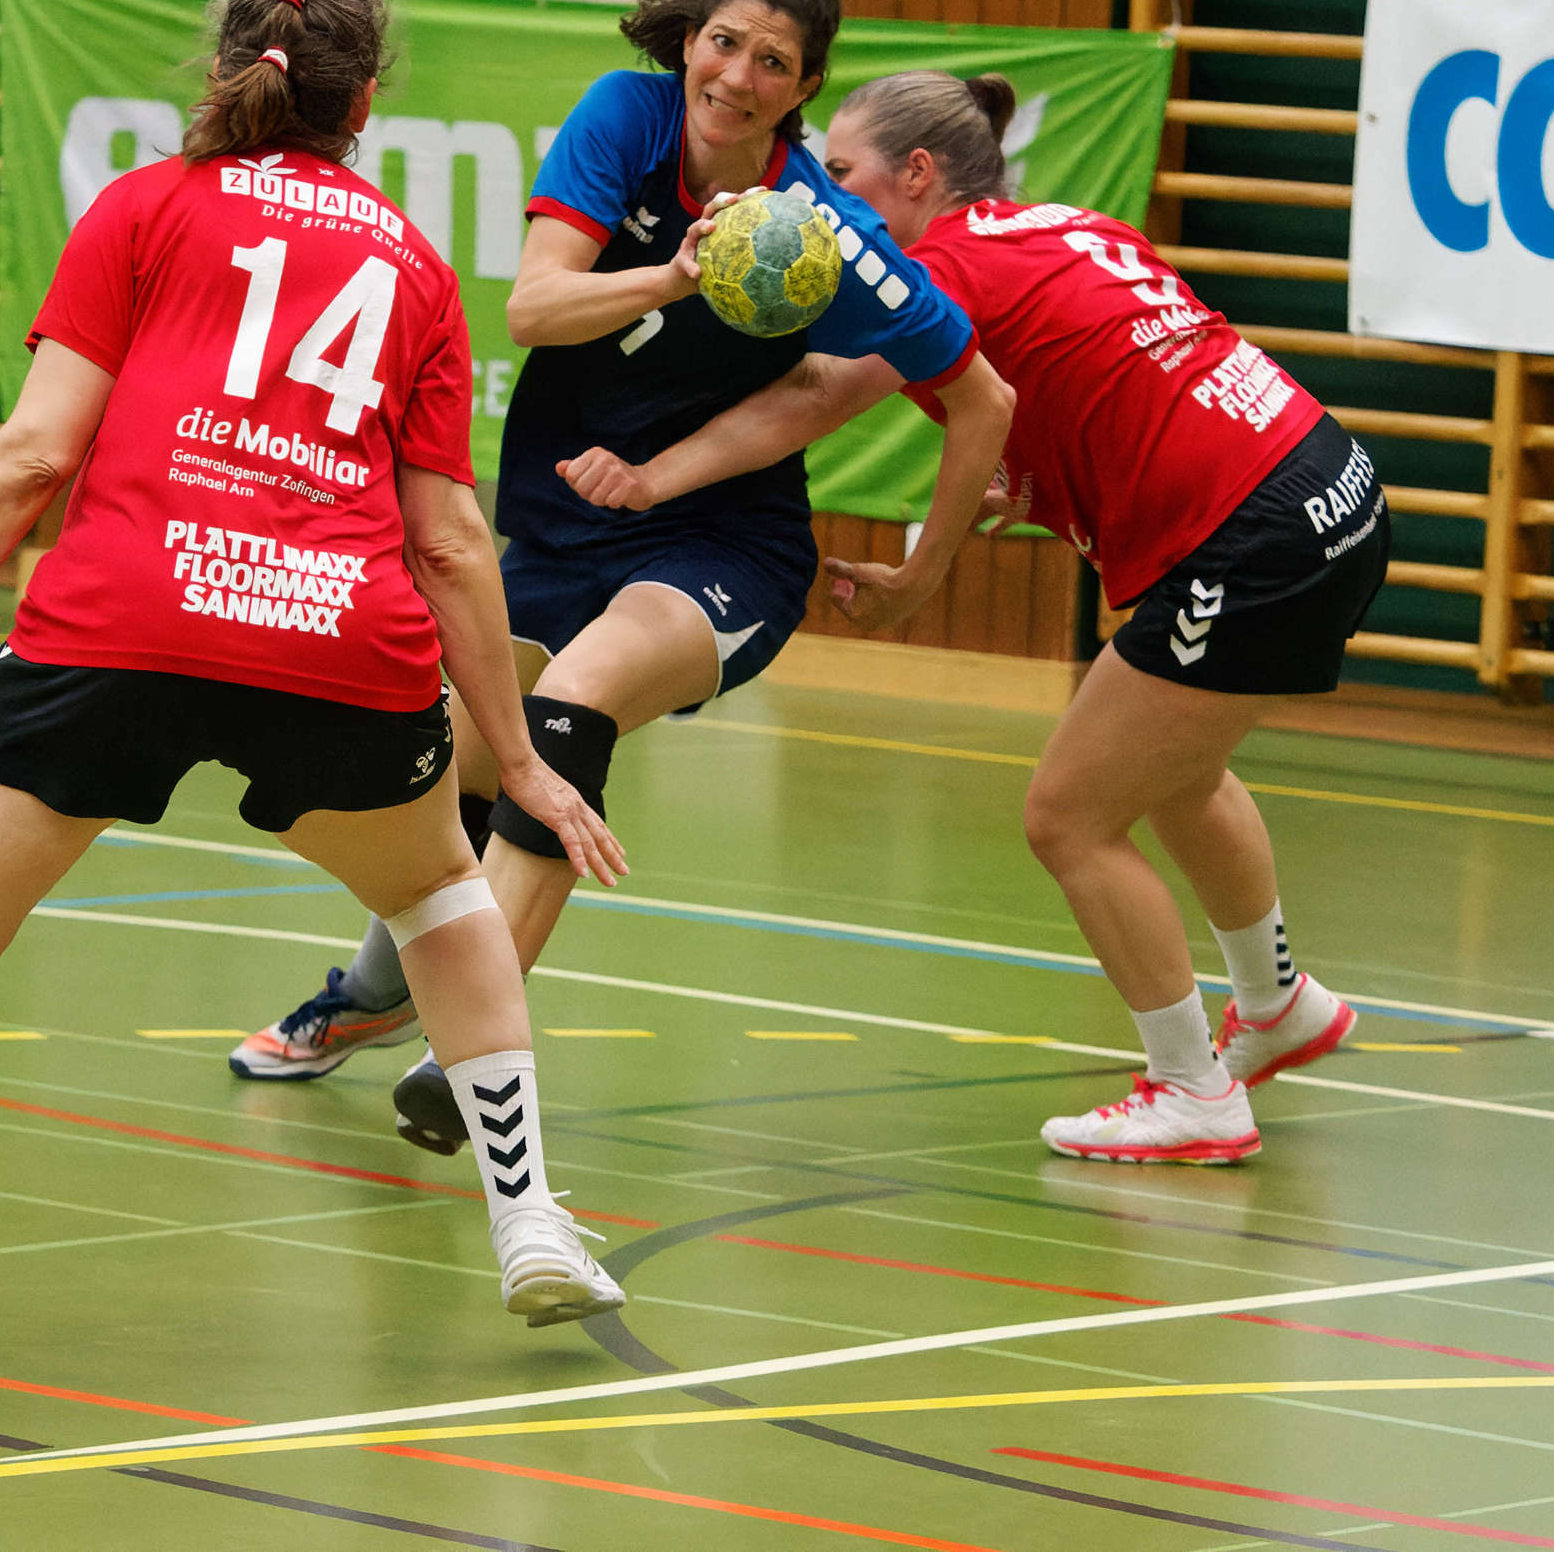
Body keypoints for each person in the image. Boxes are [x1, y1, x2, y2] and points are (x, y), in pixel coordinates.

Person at [0, 0, 628, 1391]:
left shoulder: (140, 206)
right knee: (442, 894)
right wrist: (525, 751)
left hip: (122, 618)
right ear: (367, 102)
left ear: (229, 65)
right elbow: (446, 541)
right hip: (335, 636)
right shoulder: (417, 267)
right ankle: (527, 1225)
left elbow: (38, 451)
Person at [225, 0, 1017, 1158]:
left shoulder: (816, 231)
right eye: (724, 42)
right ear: (690, 40)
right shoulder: (626, 120)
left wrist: (920, 579)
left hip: (726, 546)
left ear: (804, 90)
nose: (738, 77)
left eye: (774, 61)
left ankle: (467, 1052)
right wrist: (676, 279)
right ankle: (377, 999)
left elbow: (985, 402)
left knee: (571, 708)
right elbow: (535, 307)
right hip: (560, 512)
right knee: (459, 774)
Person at [561, 70, 1384, 1166]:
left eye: (842, 172)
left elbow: (814, 397)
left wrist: (660, 482)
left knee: (1069, 817)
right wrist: (1037, 476)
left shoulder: (934, 271)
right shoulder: (1062, 225)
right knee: (1174, 770)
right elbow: (1115, 379)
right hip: (1329, 481)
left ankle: (1195, 1092)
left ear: (917, 175)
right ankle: (1278, 1007)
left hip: (1253, 532)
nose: (825, 194)